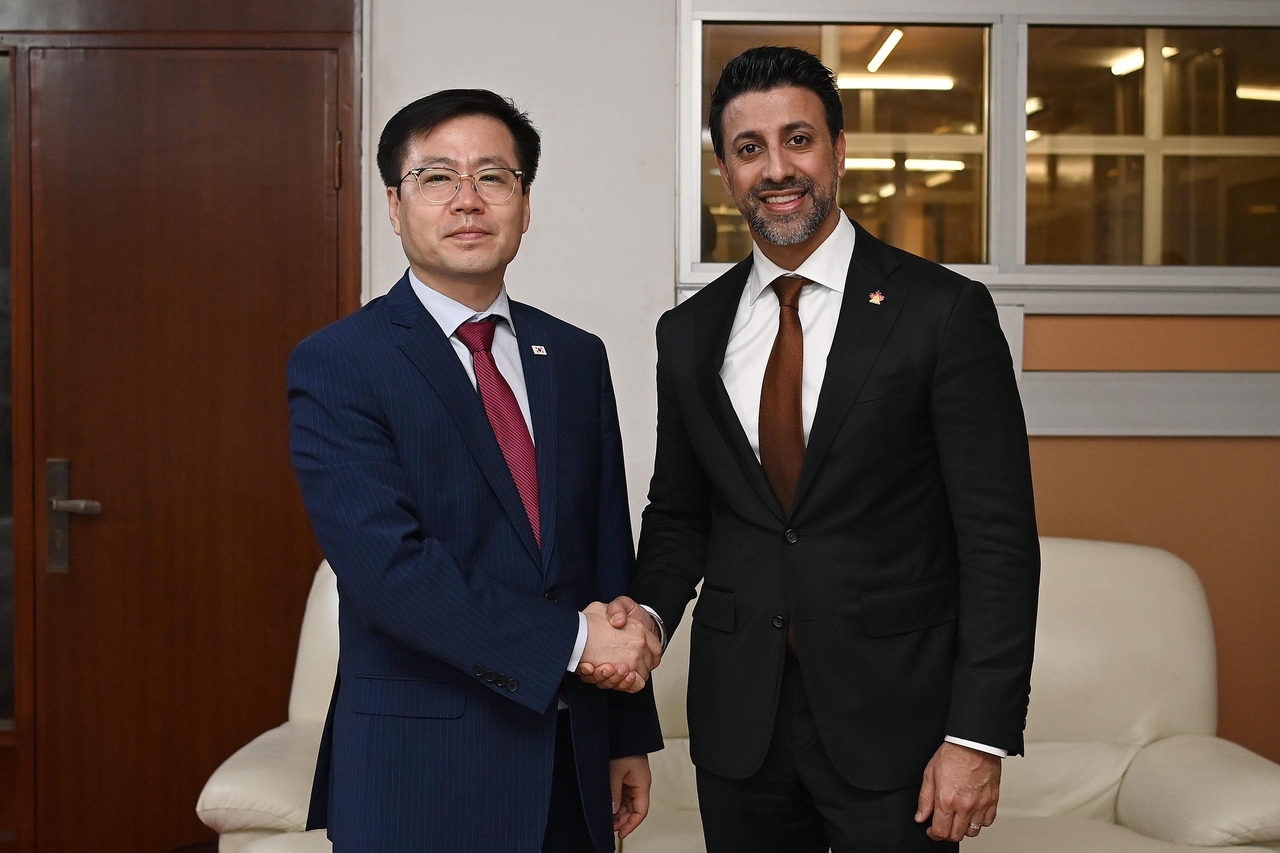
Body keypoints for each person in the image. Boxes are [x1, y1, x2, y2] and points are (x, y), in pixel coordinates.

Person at [588, 47, 1040, 851]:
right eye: (748, 148)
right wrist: (648, 614)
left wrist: (979, 735)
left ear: (838, 150)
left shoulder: (942, 312)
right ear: (725, 172)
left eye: (797, 139)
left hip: (896, 720)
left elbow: (999, 539)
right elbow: (681, 511)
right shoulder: (689, 333)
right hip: (739, 723)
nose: (776, 168)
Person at [287, 89, 663, 853]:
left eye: (494, 176)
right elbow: (389, 570)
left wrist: (625, 731)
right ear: (394, 205)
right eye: (436, 177)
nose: (468, 199)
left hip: (568, 764)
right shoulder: (339, 364)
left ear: (524, 203)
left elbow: (601, 551)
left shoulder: (575, 356)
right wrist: (572, 643)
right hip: (420, 773)